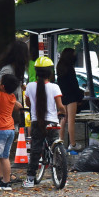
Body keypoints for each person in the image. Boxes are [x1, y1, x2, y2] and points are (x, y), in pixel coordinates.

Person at [23, 57, 66, 188]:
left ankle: (30, 179)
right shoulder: (55, 87)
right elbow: (60, 106)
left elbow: (28, 103)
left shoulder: (30, 86)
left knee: (35, 149)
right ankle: (61, 176)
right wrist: (62, 112)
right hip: (52, 123)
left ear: (36, 72)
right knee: (55, 147)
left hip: (37, 123)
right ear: (50, 72)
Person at [0, 40, 29, 128]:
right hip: (5, 114)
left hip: (11, 112)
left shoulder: (15, 69)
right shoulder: (8, 70)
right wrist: (14, 102)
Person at [56, 48, 83, 150]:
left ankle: (60, 141)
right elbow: (74, 84)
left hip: (63, 96)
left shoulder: (59, 67)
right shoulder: (70, 68)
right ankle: (73, 144)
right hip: (71, 97)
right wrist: (79, 96)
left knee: (63, 120)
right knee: (71, 120)